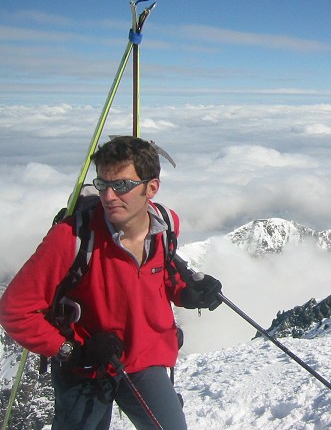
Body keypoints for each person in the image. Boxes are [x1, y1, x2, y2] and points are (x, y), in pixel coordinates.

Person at [0, 136, 222, 429]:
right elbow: (14, 310)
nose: (108, 196)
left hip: (145, 359)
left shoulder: (166, 226)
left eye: (122, 185)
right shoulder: (71, 238)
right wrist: (72, 350)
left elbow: (158, 279)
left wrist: (188, 293)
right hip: (84, 369)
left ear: (151, 188)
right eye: (103, 184)